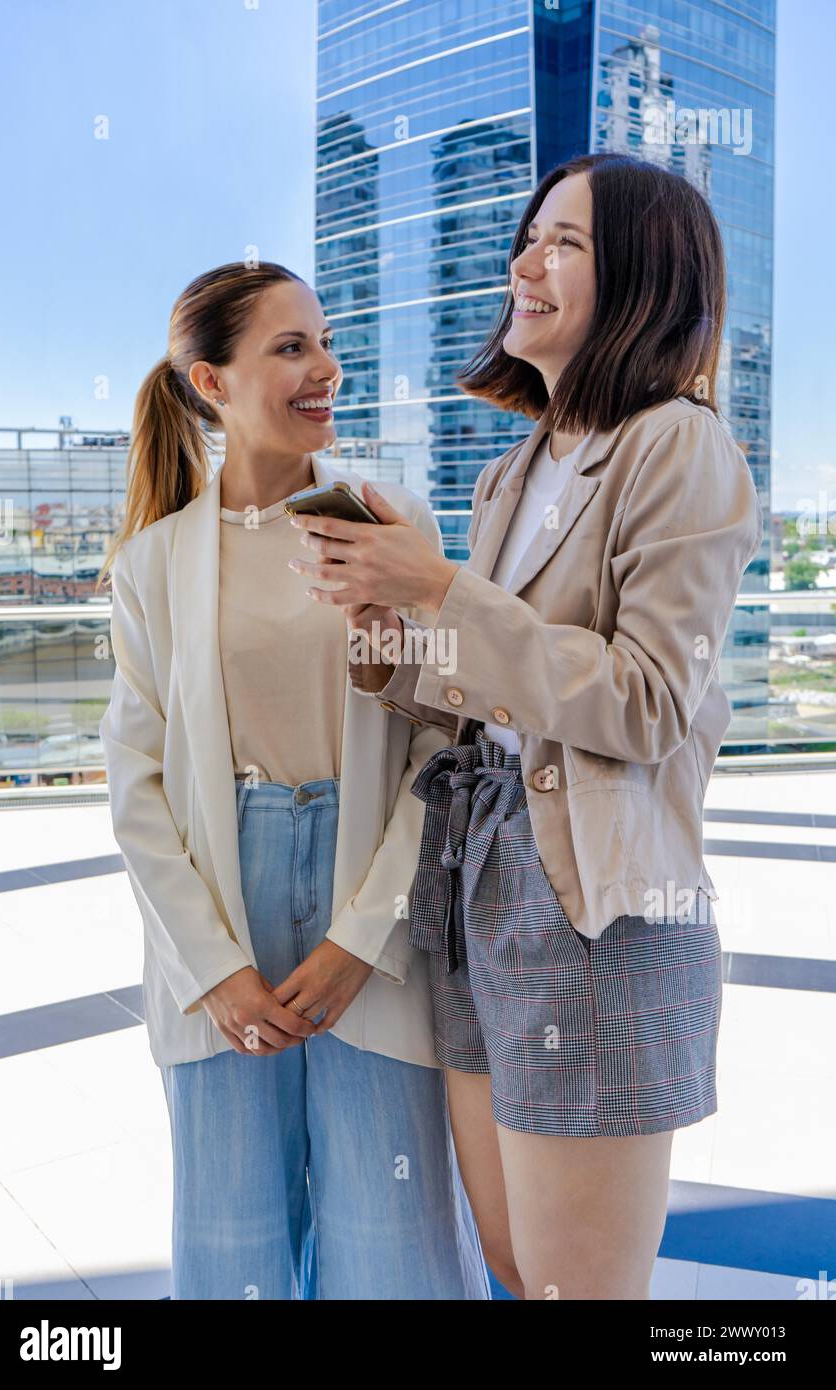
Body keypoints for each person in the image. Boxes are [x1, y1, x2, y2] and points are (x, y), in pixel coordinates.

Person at [286, 153, 764, 1300]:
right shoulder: (510, 473)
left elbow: (646, 698)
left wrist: (443, 591)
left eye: (566, 241)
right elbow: (474, 698)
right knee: (508, 1261)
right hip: (475, 885)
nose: (524, 261)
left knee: (576, 1284)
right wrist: (388, 622)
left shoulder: (675, 446)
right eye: (529, 233)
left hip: (590, 903)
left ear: (644, 279)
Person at [97, 262, 490, 1300]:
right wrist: (211, 968)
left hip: (370, 890)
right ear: (209, 383)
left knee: (394, 1235)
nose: (326, 368)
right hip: (221, 896)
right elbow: (136, 787)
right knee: (232, 1248)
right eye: (289, 348)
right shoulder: (153, 564)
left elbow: (437, 751)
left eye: (323, 341)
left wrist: (364, 934)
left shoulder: (385, 516)